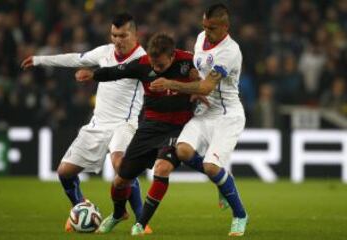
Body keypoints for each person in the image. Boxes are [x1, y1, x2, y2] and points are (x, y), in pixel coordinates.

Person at [20, 13, 152, 233]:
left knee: (121, 166)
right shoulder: (105, 52)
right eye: (114, 35)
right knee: (64, 172)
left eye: (122, 35)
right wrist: (39, 59)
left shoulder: (143, 59)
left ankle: (141, 220)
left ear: (134, 34)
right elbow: (75, 58)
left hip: (125, 124)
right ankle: (80, 208)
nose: (117, 40)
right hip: (97, 124)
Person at [75, 33, 198, 235]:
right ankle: (118, 214)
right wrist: (93, 74)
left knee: (162, 167)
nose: (155, 68)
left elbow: (209, 78)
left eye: (160, 65)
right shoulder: (142, 63)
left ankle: (140, 223)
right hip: (149, 128)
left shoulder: (188, 60)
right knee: (121, 180)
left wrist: (198, 86)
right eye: (153, 64)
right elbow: (116, 71)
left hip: (177, 128)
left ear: (171, 56)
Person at [150, 3, 248, 236]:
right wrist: (193, 84)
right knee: (183, 151)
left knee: (211, 167)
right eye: (204, 26)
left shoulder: (230, 51)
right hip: (205, 112)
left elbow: (205, 86)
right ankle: (225, 180)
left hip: (227, 114)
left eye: (212, 28)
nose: (207, 31)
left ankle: (240, 215)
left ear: (225, 26)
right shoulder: (201, 38)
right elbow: (199, 71)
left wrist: (172, 84)